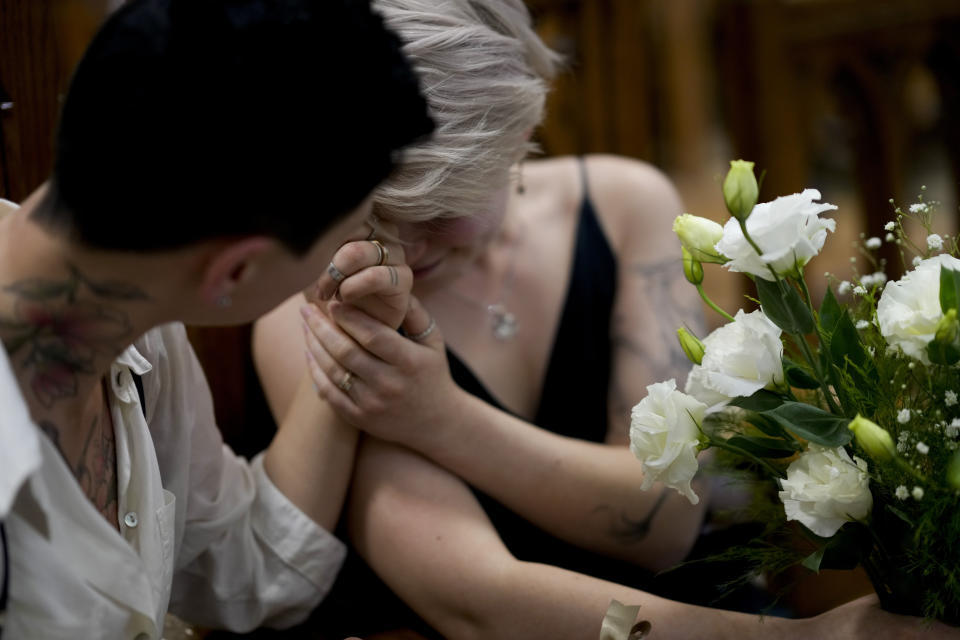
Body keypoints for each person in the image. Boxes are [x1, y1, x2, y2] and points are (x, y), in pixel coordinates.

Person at [253, 1, 958, 638]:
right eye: (371, 207)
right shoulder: (314, 307)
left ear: (521, 132)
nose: (401, 248)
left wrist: (443, 418)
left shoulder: (625, 207)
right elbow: (473, 601)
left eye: (438, 213)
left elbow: (665, 526)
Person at [0, 0, 433, 637]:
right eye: (353, 234)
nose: (357, 254)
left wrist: (350, 333)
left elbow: (236, 564)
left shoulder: (137, 317)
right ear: (233, 273)